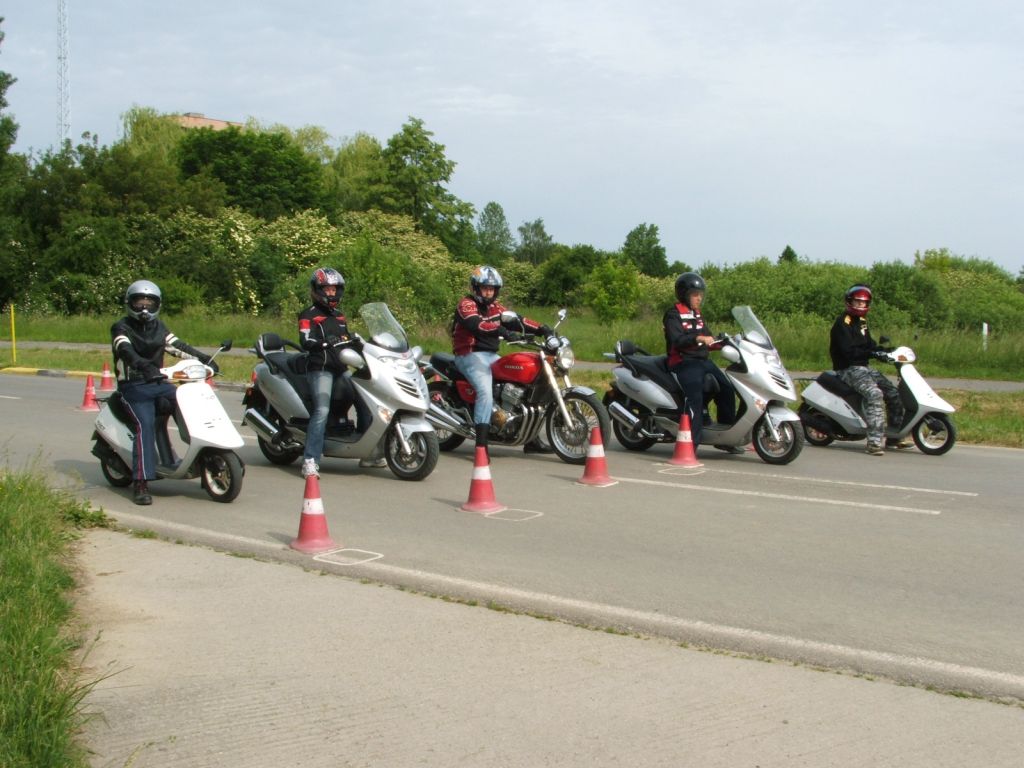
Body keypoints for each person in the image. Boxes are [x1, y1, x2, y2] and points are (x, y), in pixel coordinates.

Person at [111, 279, 219, 505]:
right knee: (145, 425)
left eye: (149, 302)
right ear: (129, 303)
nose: (144, 307)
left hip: (159, 383)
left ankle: (205, 455)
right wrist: (144, 366)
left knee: (190, 407)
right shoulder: (121, 327)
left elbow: (178, 347)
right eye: (139, 302)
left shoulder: (159, 327)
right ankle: (141, 482)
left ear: (157, 304)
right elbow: (125, 350)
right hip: (134, 386)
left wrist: (205, 359)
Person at [452, 265, 553, 453]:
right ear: (476, 288)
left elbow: (517, 320)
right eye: (485, 288)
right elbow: (477, 325)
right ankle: (481, 444)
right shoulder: (466, 304)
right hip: (469, 355)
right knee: (485, 392)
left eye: (492, 289)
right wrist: (502, 331)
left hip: (491, 356)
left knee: (526, 384)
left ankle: (530, 439)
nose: (488, 292)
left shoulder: (495, 308)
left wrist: (542, 329)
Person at [298, 267, 378, 478]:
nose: (331, 293)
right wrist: (324, 343)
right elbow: (305, 340)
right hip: (320, 369)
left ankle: (369, 453)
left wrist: (363, 344)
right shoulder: (308, 315)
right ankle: (310, 460)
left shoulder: (339, 316)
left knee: (366, 400)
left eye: (334, 289)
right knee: (321, 411)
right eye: (327, 289)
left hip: (341, 369)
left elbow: (347, 339)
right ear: (317, 290)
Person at [663, 271, 737, 453]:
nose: (699, 298)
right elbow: (677, 340)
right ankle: (690, 444)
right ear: (684, 294)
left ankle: (725, 439)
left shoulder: (697, 314)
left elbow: (708, 338)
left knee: (727, 389)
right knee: (695, 397)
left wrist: (726, 342)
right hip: (683, 362)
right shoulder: (673, 315)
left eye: (700, 295)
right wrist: (698, 338)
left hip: (702, 361)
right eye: (695, 295)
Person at [829, 284, 905, 455]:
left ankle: (894, 437)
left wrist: (887, 352)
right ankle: (874, 442)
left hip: (864, 368)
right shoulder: (842, 324)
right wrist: (872, 353)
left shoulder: (862, 322)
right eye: (857, 302)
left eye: (864, 303)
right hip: (848, 369)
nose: (860, 305)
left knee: (893, 392)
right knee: (874, 394)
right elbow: (848, 352)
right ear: (849, 302)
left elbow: (869, 345)